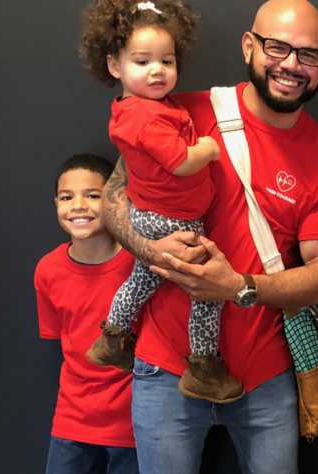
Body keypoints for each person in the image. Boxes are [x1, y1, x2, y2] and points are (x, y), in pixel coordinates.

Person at [99, 1, 318, 474]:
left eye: (309, 54)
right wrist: (152, 250)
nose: (292, 65)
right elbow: (112, 198)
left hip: (265, 373)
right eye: (278, 47)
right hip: (164, 362)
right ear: (248, 45)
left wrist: (237, 286)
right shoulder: (177, 108)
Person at [79, 0, 243, 404]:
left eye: (166, 61)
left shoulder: (140, 109)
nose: (157, 70)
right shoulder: (147, 118)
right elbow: (180, 161)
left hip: (154, 214)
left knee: (143, 278)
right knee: (206, 289)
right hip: (173, 221)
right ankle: (203, 366)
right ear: (115, 66)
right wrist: (206, 149)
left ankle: (112, 337)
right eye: (142, 61)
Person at [33, 154, 141, 474]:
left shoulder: (138, 265)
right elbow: (65, 343)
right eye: (66, 196)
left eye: (92, 194)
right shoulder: (48, 271)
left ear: (114, 199)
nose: (78, 205)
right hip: (71, 420)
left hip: (132, 422)